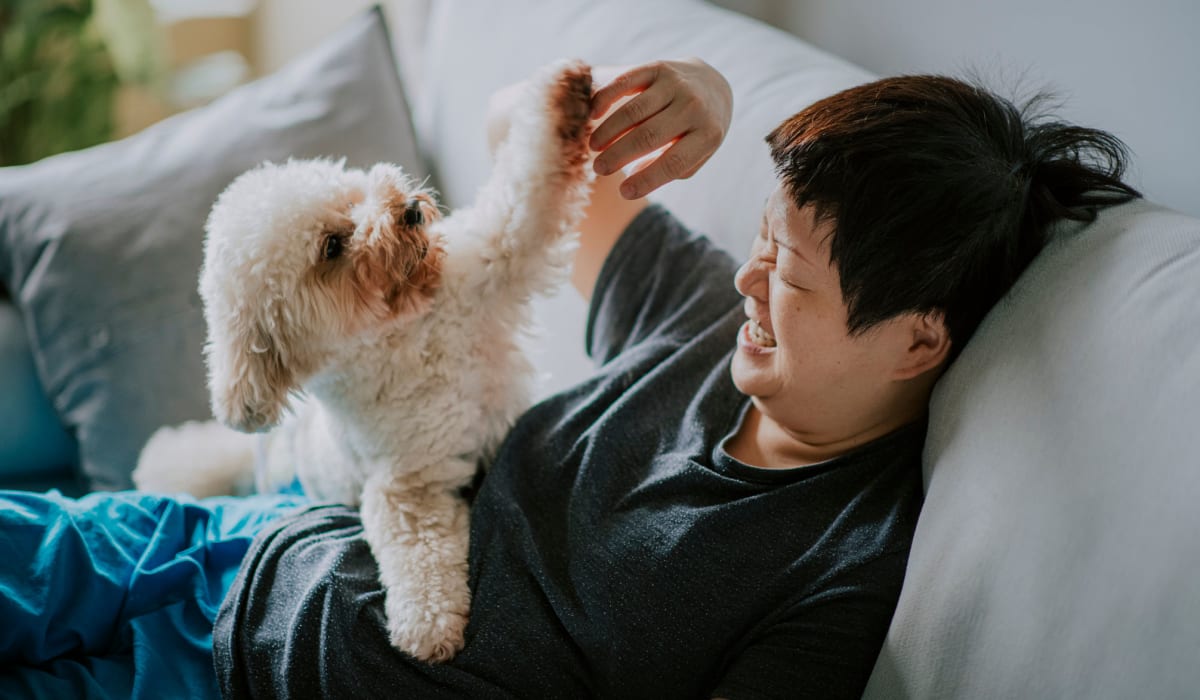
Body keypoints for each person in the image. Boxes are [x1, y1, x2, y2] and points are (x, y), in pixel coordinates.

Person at [0, 59, 1139, 699]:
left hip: (237, 683)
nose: (748, 275)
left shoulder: (834, 577)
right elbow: (520, 131)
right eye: (760, 233)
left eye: (789, 271)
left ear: (919, 341)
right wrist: (694, 93)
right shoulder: (700, 317)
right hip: (220, 539)